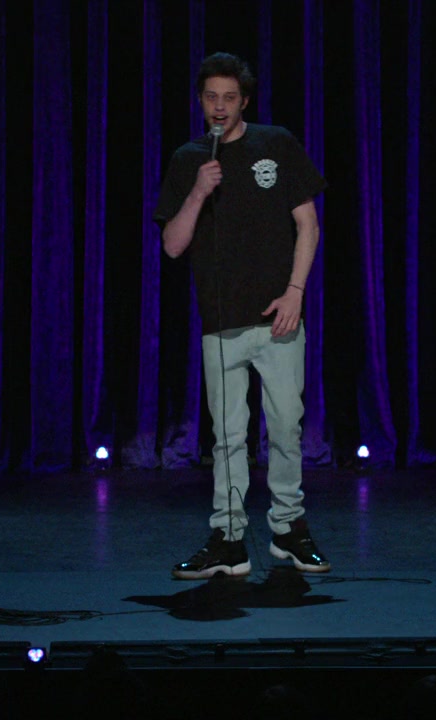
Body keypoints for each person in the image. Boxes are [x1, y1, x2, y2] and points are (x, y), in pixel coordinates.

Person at [154, 52, 329, 580]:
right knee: (228, 437)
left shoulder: (275, 144)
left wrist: (295, 292)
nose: (220, 107)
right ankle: (229, 539)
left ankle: (289, 529)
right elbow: (172, 245)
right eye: (212, 97)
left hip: (279, 316)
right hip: (222, 320)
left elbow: (308, 225)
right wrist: (198, 191)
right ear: (200, 101)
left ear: (244, 101)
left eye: (229, 98)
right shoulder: (189, 159)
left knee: (286, 428)